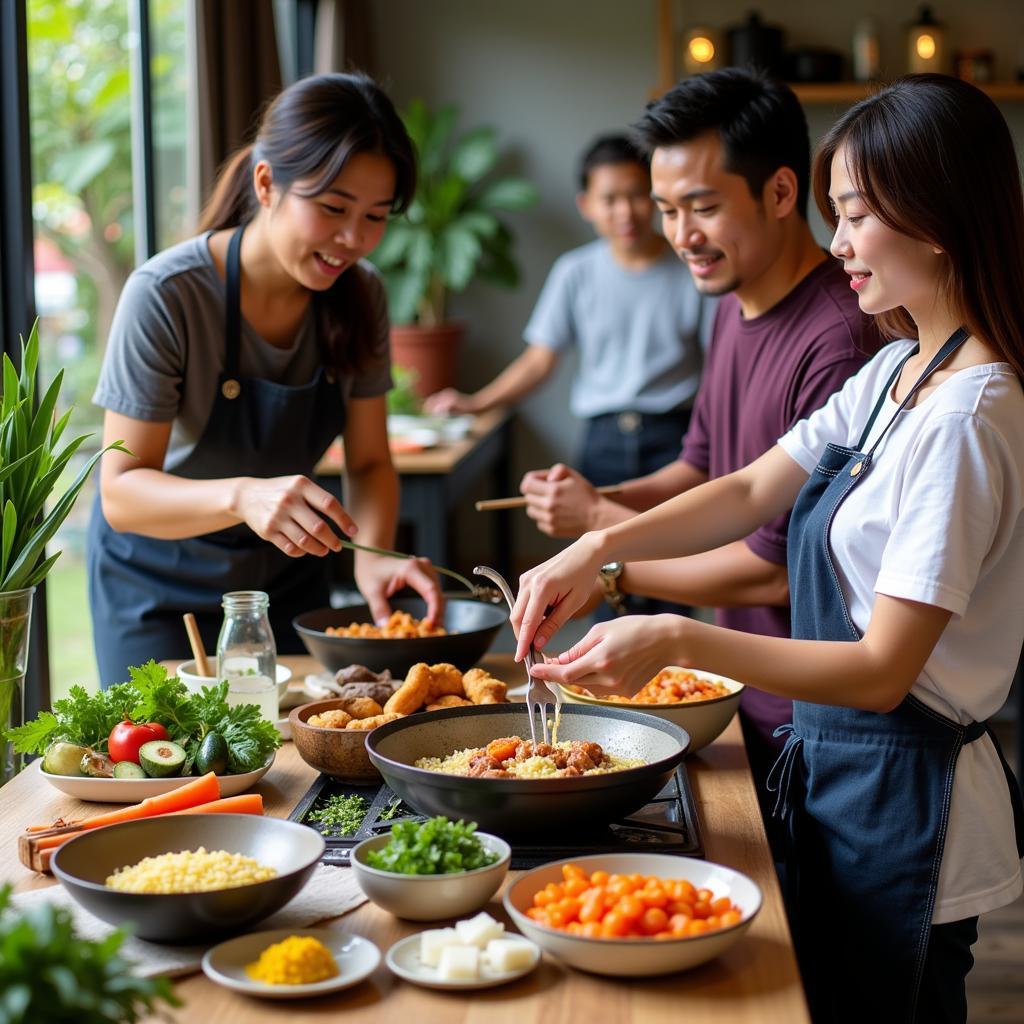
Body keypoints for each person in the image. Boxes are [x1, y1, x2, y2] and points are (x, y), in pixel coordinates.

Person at [512, 74, 1024, 1024]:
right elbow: (750, 486)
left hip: (912, 803)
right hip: (842, 780)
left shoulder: (968, 416)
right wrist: (600, 549)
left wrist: (674, 636)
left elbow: (881, 671)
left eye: (858, 217)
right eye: (836, 216)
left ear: (938, 216)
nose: (838, 247)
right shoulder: (895, 366)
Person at [520, 69, 874, 809]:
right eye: (667, 209)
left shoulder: (839, 338)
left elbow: (771, 570)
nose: (681, 235)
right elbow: (703, 467)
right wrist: (599, 504)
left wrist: (610, 561)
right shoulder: (732, 302)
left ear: (781, 194)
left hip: (810, 723)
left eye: (703, 207)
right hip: (742, 700)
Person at [87, 73, 442, 687]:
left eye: (375, 216)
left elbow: (369, 462)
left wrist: (372, 560)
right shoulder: (167, 295)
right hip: (154, 591)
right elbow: (120, 492)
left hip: (278, 588)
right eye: (332, 208)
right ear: (266, 182)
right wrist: (240, 495)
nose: (353, 239)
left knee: (293, 765)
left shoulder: (362, 296)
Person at [425, 134, 710, 492]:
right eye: (609, 199)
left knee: (677, 545)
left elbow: (722, 361)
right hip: (602, 440)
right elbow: (539, 360)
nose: (625, 211)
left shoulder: (694, 267)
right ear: (586, 204)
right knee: (598, 545)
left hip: (679, 437)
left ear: (656, 196)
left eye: (637, 194)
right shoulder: (575, 272)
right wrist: (476, 404)